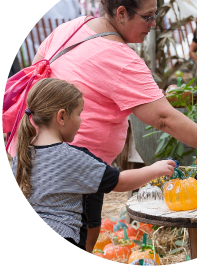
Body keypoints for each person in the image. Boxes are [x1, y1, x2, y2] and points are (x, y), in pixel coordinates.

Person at [9, 0, 197, 252]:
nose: (153, 24)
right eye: (147, 16)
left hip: (29, 152)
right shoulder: (119, 57)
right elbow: (163, 117)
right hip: (78, 172)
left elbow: (36, 79)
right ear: (121, 13)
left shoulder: (70, 28)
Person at [12, 78, 176, 251]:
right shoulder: (72, 157)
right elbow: (119, 181)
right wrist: (154, 170)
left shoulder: (22, 154)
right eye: (78, 114)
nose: (80, 121)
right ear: (61, 117)